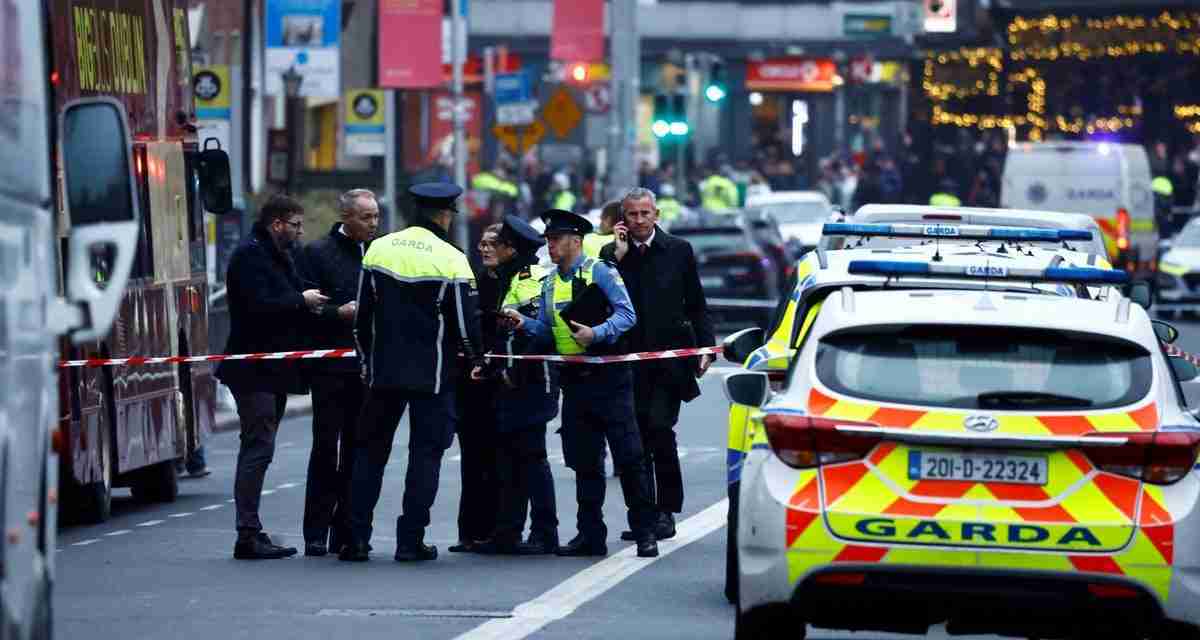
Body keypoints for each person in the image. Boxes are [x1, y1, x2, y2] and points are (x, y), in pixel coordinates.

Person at [340, 183, 484, 563]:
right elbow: (466, 328)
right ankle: (410, 540)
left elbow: (361, 320)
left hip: (383, 373)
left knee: (369, 455)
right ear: (444, 214)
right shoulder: (452, 259)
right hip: (433, 376)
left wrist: (367, 365)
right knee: (425, 456)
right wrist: (477, 362)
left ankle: (355, 539)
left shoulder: (379, 249)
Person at [505, 210, 660, 559]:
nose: (550, 245)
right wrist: (522, 324)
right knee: (584, 461)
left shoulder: (600, 271)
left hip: (609, 377)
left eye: (556, 239)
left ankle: (644, 532)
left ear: (575, 241)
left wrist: (597, 333)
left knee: (630, 457)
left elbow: (627, 314)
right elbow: (547, 330)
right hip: (574, 382)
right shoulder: (548, 283)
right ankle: (590, 535)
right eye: (548, 239)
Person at [216, 194, 329, 560]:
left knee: (261, 447)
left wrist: (316, 301)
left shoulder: (278, 254)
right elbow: (258, 305)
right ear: (277, 223)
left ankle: (251, 531)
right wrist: (302, 300)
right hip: (253, 368)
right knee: (257, 446)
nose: (299, 232)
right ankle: (247, 534)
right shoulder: (251, 255)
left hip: (272, 369)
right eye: (295, 225)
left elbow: (295, 291)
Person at [600, 188, 715, 542]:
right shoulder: (611, 254)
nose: (638, 221)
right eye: (631, 215)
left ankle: (665, 511)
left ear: (656, 215)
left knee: (659, 431)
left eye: (644, 214)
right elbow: (600, 299)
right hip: (627, 360)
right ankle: (643, 514)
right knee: (634, 441)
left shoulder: (678, 250)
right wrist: (617, 257)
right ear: (623, 218)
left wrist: (705, 348)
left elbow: (696, 303)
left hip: (668, 362)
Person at [297, 188, 378, 557]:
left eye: (376, 216)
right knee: (326, 449)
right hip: (330, 368)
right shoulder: (317, 253)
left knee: (358, 451)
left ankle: (348, 529)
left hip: (366, 368)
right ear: (346, 217)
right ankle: (315, 531)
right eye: (366, 217)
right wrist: (337, 313)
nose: (373, 224)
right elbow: (303, 307)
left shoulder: (377, 253)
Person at [472, 218, 560, 555]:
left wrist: (514, 372)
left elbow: (539, 335)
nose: (495, 248)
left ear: (513, 249)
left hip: (533, 383)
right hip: (510, 383)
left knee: (532, 459)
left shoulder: (532, 281)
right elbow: (502, 335)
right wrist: (493, 366)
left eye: (502, 244)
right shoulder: (507, 279)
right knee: (509, 460)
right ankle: (507, 532)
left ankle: (544, 533)